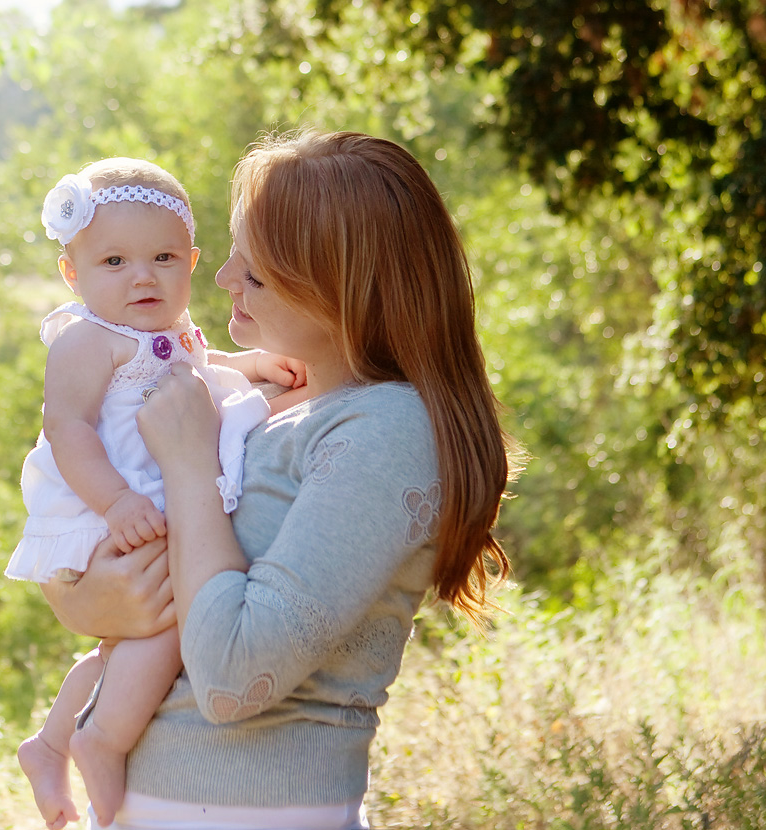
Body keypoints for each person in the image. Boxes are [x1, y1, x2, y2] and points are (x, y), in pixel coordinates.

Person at [41, 130, 519, 830]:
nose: (222, 278)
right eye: (234, 252)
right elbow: (130, 582)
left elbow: (234, 678)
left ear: (340, 292)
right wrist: (82, 602)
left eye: (256, 273)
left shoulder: (387, 431)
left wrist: (187, 466)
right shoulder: (265, 408)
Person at [8, 157, 306, 830]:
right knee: (172, 621)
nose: (142, 276)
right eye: (113, 261)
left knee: (132, 645)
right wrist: (114, 503)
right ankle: (99, 740)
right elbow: (66, 428)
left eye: (163, 257)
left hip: (153, 492)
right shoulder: (88, 340)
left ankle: (50, 743)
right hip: (107, 502)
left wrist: (251, 364)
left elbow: (205, 365)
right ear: (72, 272)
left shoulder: (170, 332)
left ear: (192, 261)